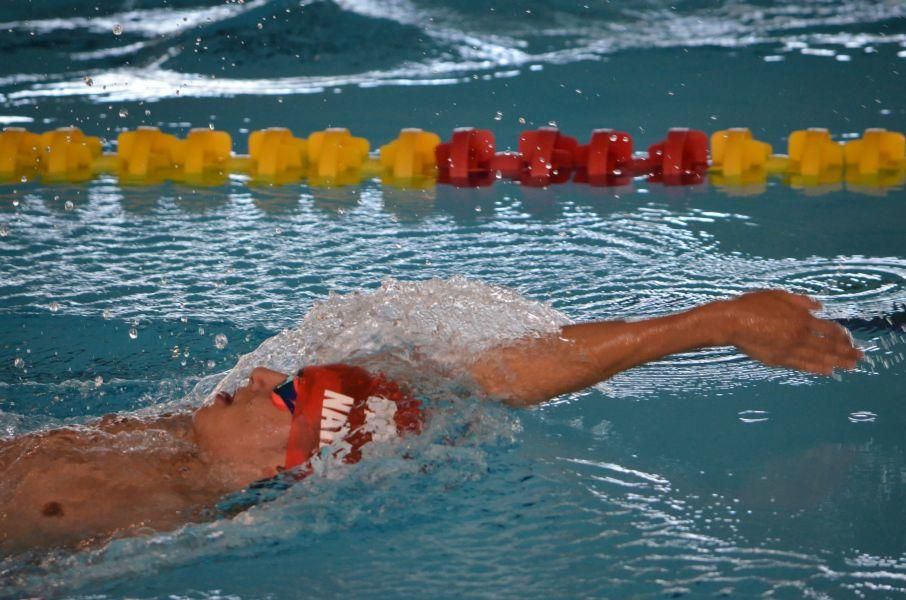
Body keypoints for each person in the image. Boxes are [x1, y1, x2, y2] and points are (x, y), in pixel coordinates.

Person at [0, 289, 861, 552]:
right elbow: (488, 377)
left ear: (283, 467)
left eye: (286, 393)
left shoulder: (132, 507)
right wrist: (706, 325)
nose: (260, 371)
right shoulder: (175, 441)